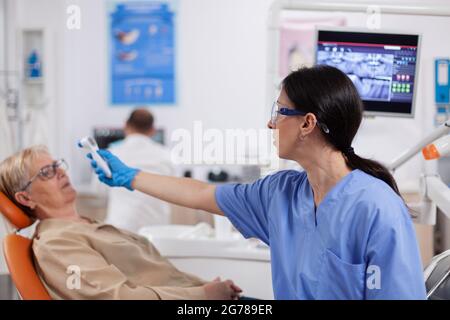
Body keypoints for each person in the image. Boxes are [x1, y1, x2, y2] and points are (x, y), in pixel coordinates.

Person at [88, 65, 427, 300]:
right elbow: (203, 194)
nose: (270, 123)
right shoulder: (280, 194)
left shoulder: (377, 208)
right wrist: (130, 177)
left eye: (280, 111)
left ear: (308, 123)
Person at [0, 146, 242, 300]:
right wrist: (202, 295)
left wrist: (208, 288)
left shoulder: (89, 225)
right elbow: (116, 297)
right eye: (46, 172)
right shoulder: (57, 243)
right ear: (25, 198)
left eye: (57, 166)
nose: (61, 173)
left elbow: (159, 276)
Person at [106, 108, 174, 232]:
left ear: (125, 125)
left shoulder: (112, 154)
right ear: (153, 129)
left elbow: (99, 189)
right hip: (156, 229)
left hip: (121, 225)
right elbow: (174, 188)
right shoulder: (166, 155)